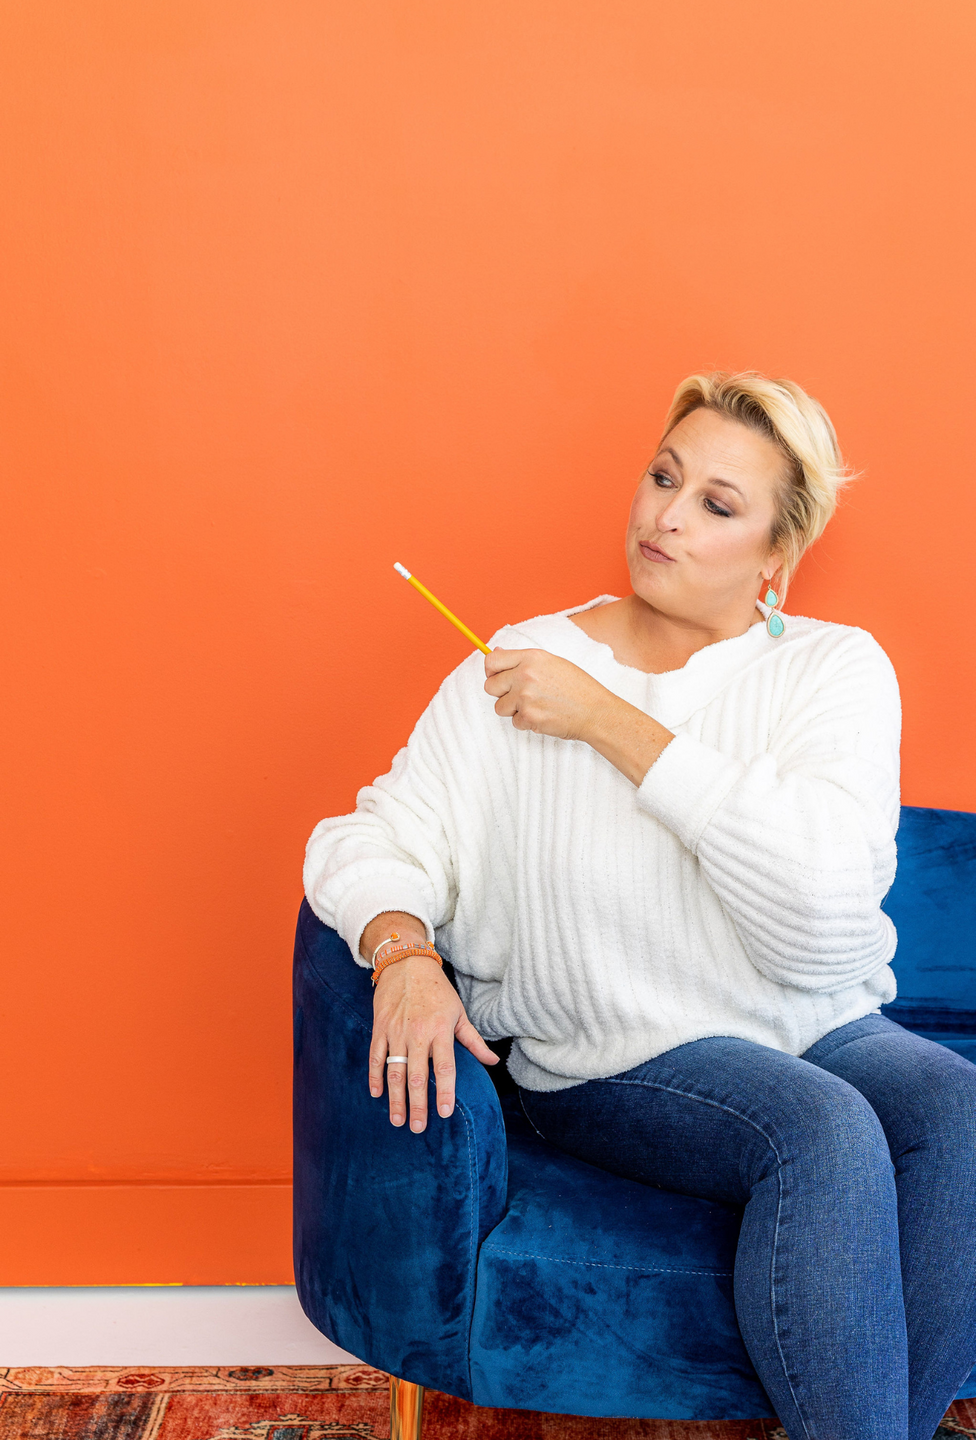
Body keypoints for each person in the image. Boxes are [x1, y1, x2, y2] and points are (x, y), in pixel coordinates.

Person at [304, 372, 976, 1440]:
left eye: (717, 503)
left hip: (816, 1022)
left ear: (776, 555)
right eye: (664, 477)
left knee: (959, 1112)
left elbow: (822, 925)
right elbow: (371, 838)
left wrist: (611, 725)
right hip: (612, 1052)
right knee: (819, 1128)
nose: (666, 515)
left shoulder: (834, 670)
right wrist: (403, 955)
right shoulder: (521, 665)